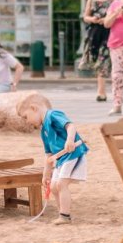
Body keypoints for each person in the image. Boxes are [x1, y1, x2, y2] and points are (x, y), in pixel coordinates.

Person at [17, 93, 89, 225]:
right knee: (54, 186)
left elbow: (70, 126)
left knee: (61, 184)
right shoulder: (43, 130)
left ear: (34, 108)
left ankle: (64, 216)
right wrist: (46, 174)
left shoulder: (53, 115)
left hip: (73, 153)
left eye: (26, 117)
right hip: (61, 158)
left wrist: (70, 139)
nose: (27, 121)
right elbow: (49, 155)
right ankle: (62, 213)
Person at [82, 0, 113, 102]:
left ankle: (101, 92)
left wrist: (105, 20)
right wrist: (92, 19)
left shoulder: (112, 2)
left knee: (103, 61)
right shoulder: (91, 0)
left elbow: (114, 18)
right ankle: (102, 90)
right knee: (96, 61)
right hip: (94, 33)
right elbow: (85, 17)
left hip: (107, 33)